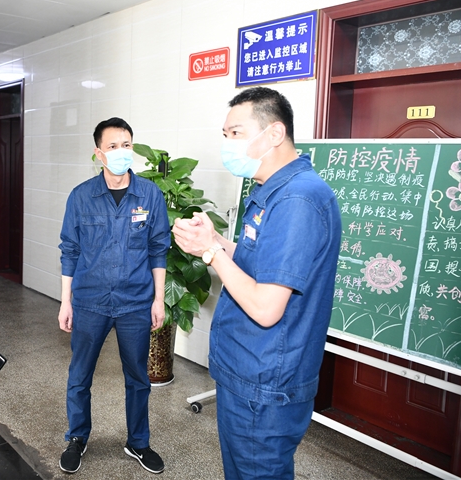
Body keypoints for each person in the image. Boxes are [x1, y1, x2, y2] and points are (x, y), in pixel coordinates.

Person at [173, 87, 342, 480]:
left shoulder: (298, 200)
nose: (227, 144)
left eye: (236, 133)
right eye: (225, 134)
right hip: (250, 371)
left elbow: (266, 308)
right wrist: (215, 241)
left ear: (275, 133)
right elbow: (260, 261)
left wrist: (210, 253)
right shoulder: (275, 189)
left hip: (265, 380)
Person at [57, 117, 170, 475]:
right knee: (80, 375)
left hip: (135, 302)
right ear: (98, 153)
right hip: (89, 302)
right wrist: (65, 301)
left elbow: (158, 249)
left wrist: (158, 300)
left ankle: (138, 441)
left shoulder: (149, 195)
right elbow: (69, 250)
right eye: (113, 146)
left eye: (127, 145)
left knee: (138, 377)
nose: (121, 152)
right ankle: (77, 437)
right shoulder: (81, 196)